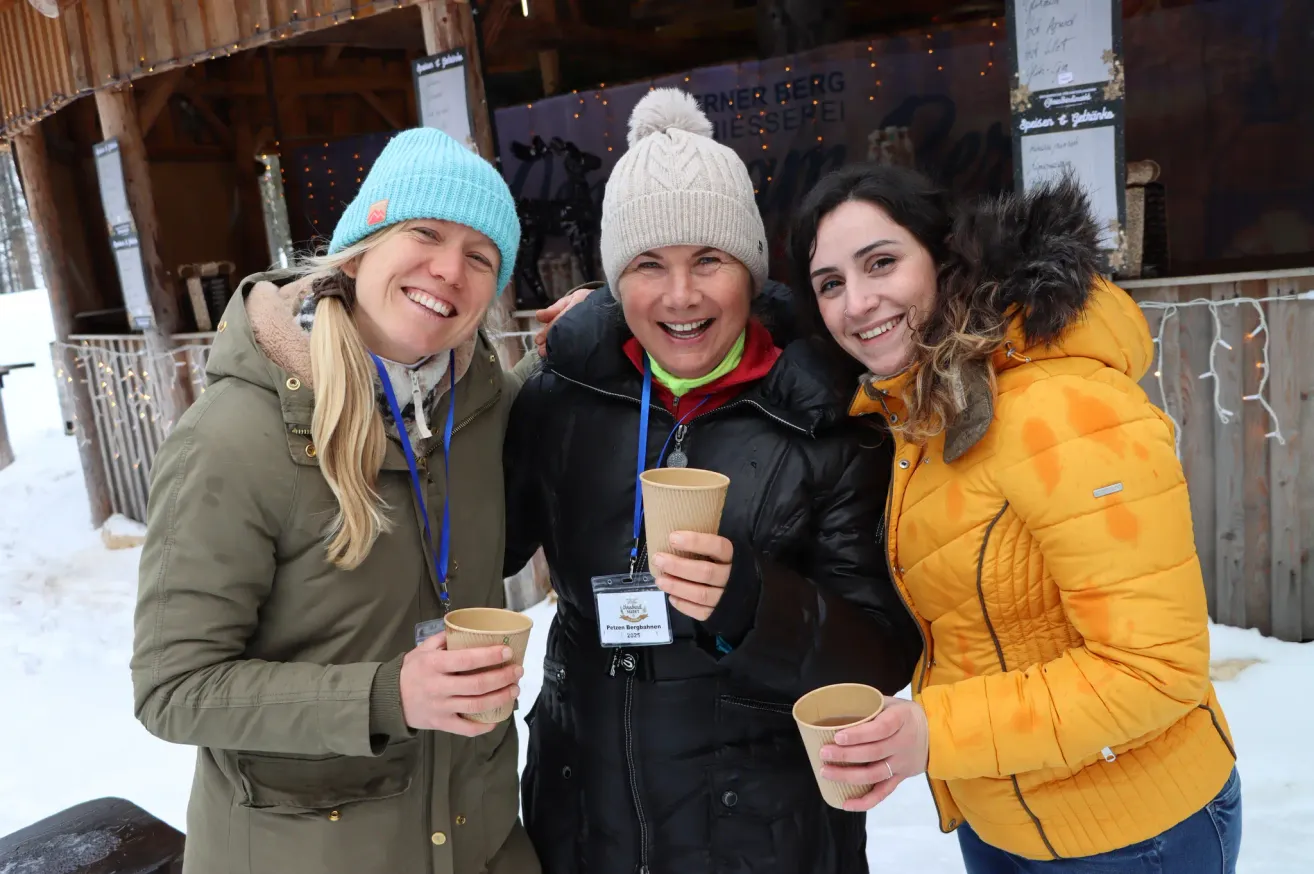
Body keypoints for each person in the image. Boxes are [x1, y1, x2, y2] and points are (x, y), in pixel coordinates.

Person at [502, 89, 923, 874]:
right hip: (583, 820)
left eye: (709, 260)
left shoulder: (832, 417)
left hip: (760, 832)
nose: (681, 295)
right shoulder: (562, 392)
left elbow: (881, 658)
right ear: (613, 280)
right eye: (647, 266)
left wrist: (752, 601)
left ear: (751, 271)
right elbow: (487, 542)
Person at [786, 163, 1241, 873]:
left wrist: (933, 731)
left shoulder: (1060, 406)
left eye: (882, 262)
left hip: (1131, 833)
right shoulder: (920, 411)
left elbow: (1154, 669)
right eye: (830, 284)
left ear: (943, 255)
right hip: (1004, 817)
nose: (858, 303)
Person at [131, 128, 542, 874]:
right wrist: (387, 696)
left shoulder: (480, 412)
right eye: (425, 232)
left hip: (477, 841)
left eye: (480, 257)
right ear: (360, 248)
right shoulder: (232, 438)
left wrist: (592, 330)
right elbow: (173, 688)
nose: (449, 268)